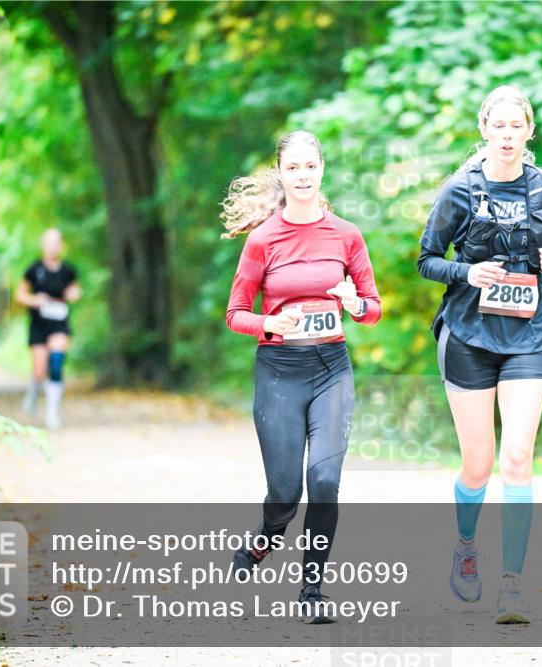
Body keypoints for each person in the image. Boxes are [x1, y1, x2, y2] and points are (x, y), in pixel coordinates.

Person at [417, 85, 542, 624]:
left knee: (518, 460)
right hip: (469, 335)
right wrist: (467, 272)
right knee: (479, 465)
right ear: (484, 130)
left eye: (517, 127)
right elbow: (426, 259)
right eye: (498, 126)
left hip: (530, 337)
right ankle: (465, 546)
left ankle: (512, 585)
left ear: (529, 131)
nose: (507, 136)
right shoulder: (459, 190)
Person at [223, 130, 382, 624]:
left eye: (310, 167)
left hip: (331, 369)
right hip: (279, 373)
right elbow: (235, 314)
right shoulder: (263, 240)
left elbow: (373, 309)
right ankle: (264, 541)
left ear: (322, 170)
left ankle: (312, 588)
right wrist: (268, 322)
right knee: (286, 492)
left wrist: (356, 304)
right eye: (293, 168)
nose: (303, 176)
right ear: (282, 174)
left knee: (326, 480)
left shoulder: (347, 234)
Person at [15, 228, 80, 429]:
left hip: (59, 322)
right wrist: (34, 300)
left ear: (61, 245)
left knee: (57, 363)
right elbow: (20, 295)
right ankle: (33, 395)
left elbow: (75, 290)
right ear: (43, 245)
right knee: (39, 371)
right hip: (39, 325)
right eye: (49, 242)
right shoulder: (34, 269)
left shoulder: (68, 270)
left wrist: (73, 294)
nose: (53, 246)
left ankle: (52, 412)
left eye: (56, 243)